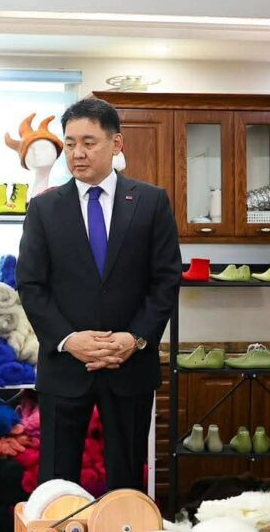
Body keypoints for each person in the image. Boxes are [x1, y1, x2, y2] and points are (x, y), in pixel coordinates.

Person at [16, 98, 182, 491]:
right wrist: (69, 339)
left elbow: (165, 280)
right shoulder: (43, 208)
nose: (77, 153)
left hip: (130, 365)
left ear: (116, 143)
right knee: (57, 484)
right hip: (65, 367)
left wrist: (135, 338)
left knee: (127, 480)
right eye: (70, 143)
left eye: (88, 142)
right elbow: (31, 285)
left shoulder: (150, 202)